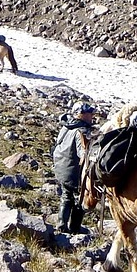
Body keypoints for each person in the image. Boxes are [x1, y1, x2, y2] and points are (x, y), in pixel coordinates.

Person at [52, 100, 97, 234]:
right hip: (72, 170)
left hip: (60, 166)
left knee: (66, 196)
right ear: (81, 115)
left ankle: (61, 225)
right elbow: (83, 153)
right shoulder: (81, 131)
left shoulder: (67, 126)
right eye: (89, 114)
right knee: (79, 199)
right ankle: (74, 228)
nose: (92, 116)